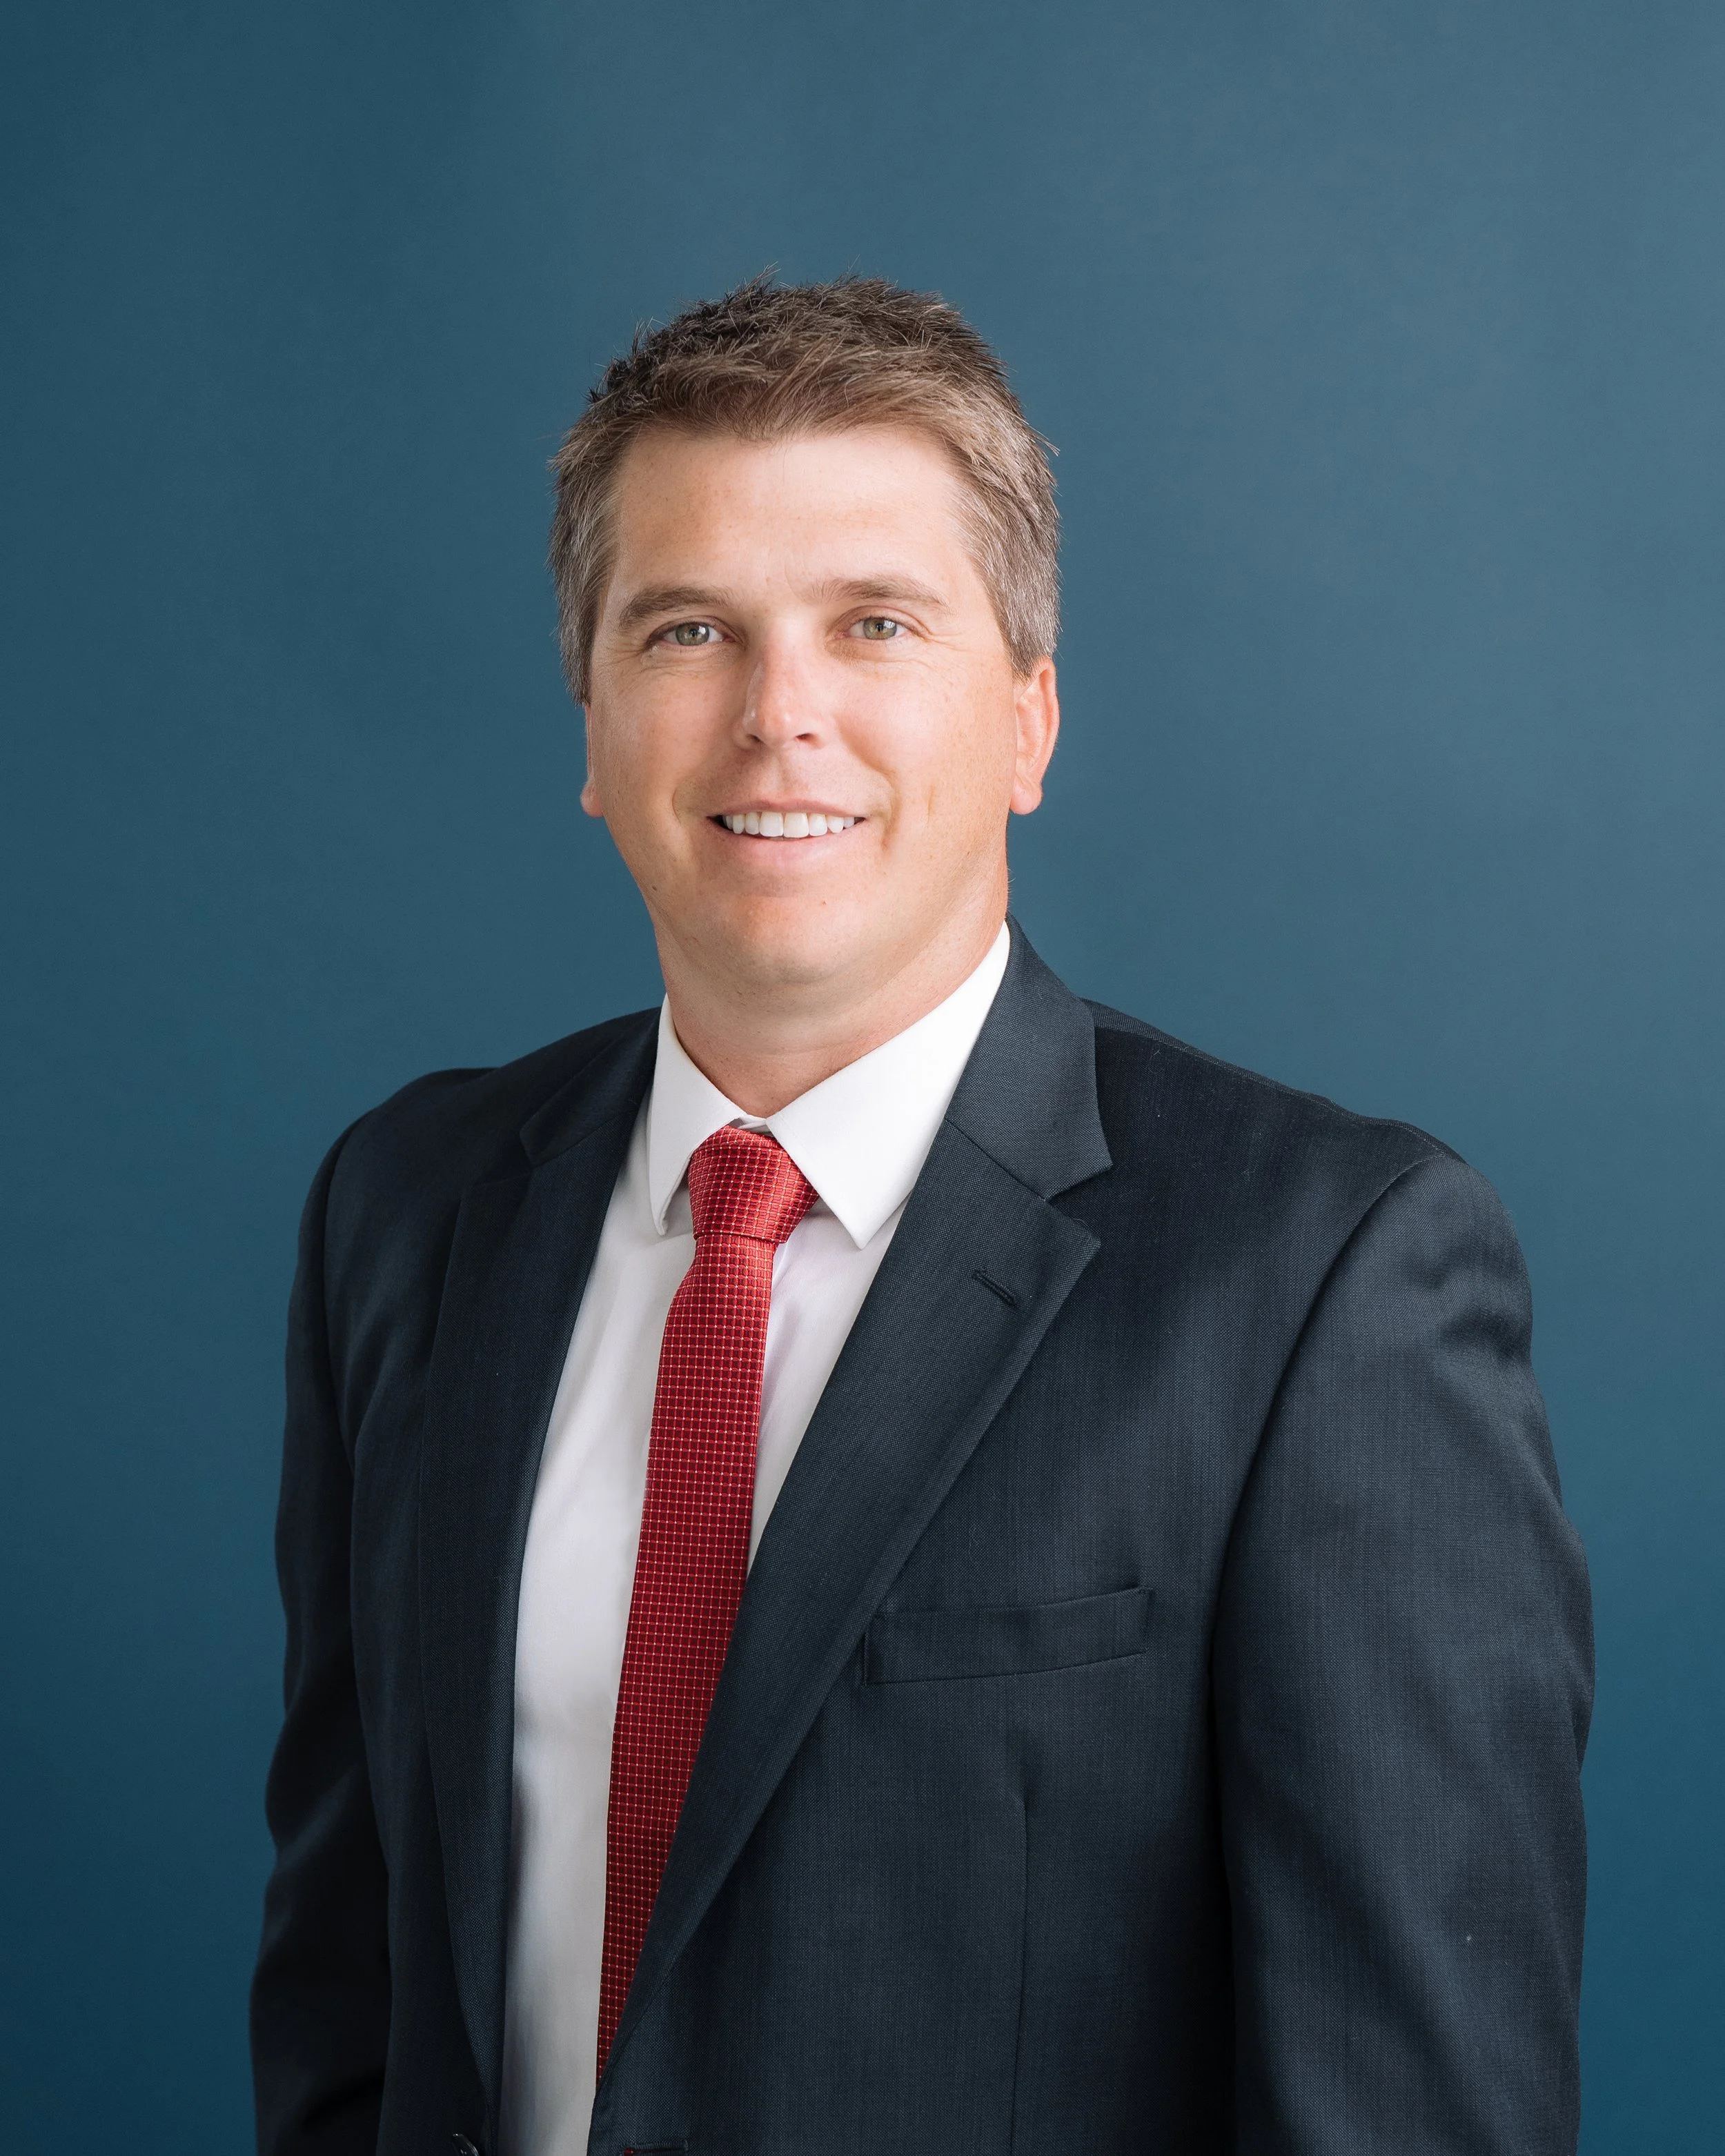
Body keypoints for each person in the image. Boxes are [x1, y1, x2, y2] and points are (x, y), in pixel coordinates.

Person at [250, 277, 1593, 2156]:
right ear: (592, 728)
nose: (776, 713)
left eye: (871, 624)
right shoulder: (406, 1210)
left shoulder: (1322, 1272)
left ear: (1028, 720)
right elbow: (349, 1983)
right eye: (686, 628)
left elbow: (1413, 2106)